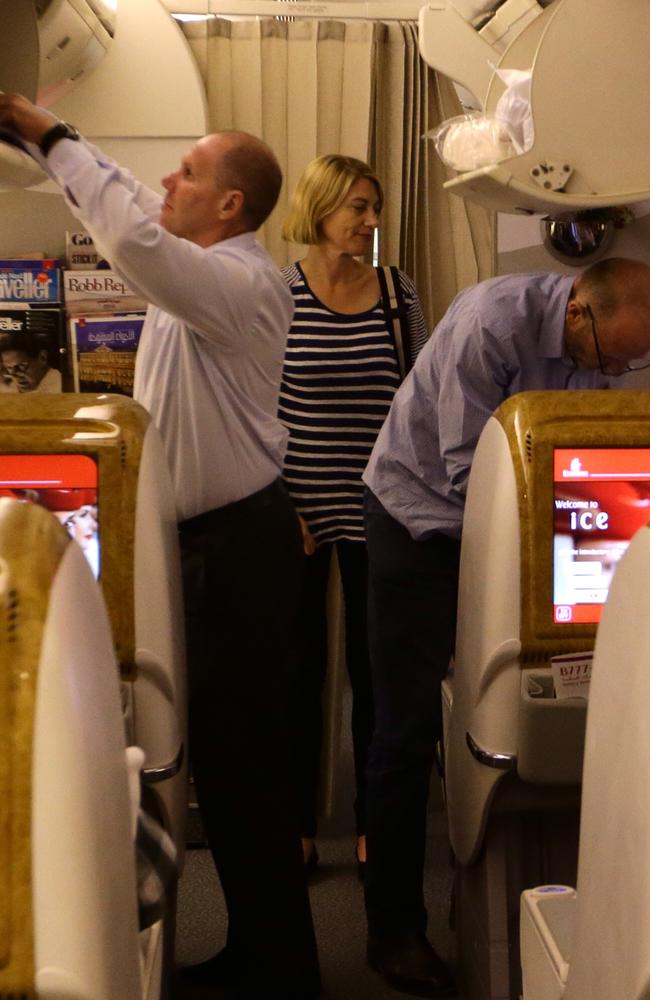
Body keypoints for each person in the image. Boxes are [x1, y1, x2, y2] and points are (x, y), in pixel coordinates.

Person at [0, 94, 320, 1000]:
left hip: (237, 549)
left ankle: (283, 972)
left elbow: (135, 238)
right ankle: (265, 954)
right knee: (222, 762)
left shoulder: (239, 283)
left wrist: (53, 139)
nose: (168, 181)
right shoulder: (206, 263)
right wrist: (49, 141)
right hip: (209, 547)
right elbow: (138, 211)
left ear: (228, 207)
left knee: (243, 763)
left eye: (189, 172)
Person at [361, 257, 650, 998]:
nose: (620, 369)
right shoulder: (492, 321)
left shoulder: (618, 342)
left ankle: (518, 885)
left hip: (533, 535)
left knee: (543, 706)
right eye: (609, 357)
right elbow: (470, 468)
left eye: (633, 360)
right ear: (578, 313)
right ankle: (394, 931)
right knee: (408, 726)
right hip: (422, 522)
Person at [279, 154, 428, 876]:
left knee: (378, 677)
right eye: (358, 207)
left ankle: (376, 826)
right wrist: (282, 503)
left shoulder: (399, 295)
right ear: (321, 208)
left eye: (374, 208)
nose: (371, 222)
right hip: (297, 513)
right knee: (295, 675)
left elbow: (421, 403)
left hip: (384, 510)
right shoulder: (278, 295)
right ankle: (296, 827)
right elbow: (253, 409)